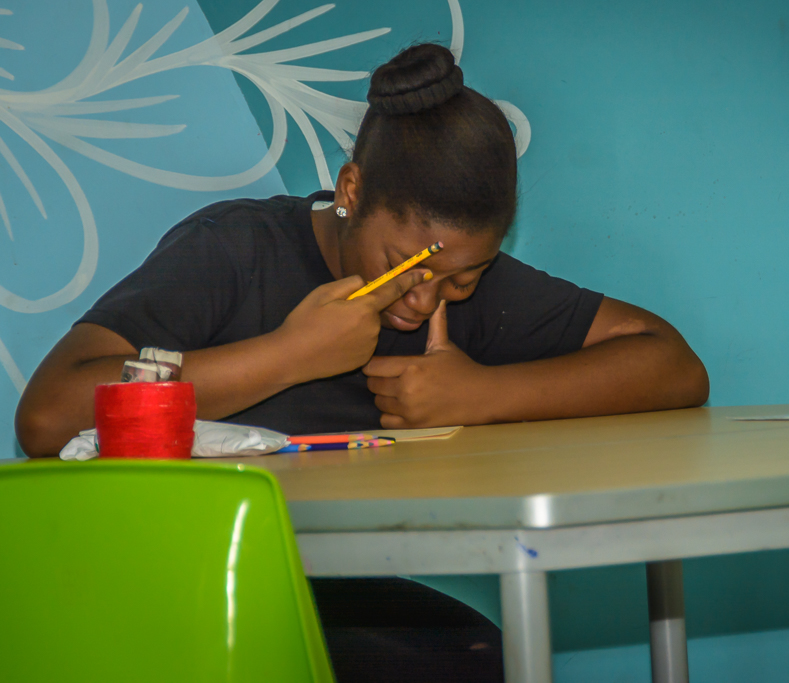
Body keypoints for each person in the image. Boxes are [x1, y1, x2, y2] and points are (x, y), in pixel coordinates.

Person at [15, 43, 708, 680]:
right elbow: (47, 415)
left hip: (322, 586)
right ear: (350, 191)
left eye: (461, 277)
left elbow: (671, 365)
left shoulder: (466, 283)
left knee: (478, 660)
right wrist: (287, 354)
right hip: (154, 582)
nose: (424, 297)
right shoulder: (236, 249)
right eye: (401, 267)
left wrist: (483, 394)